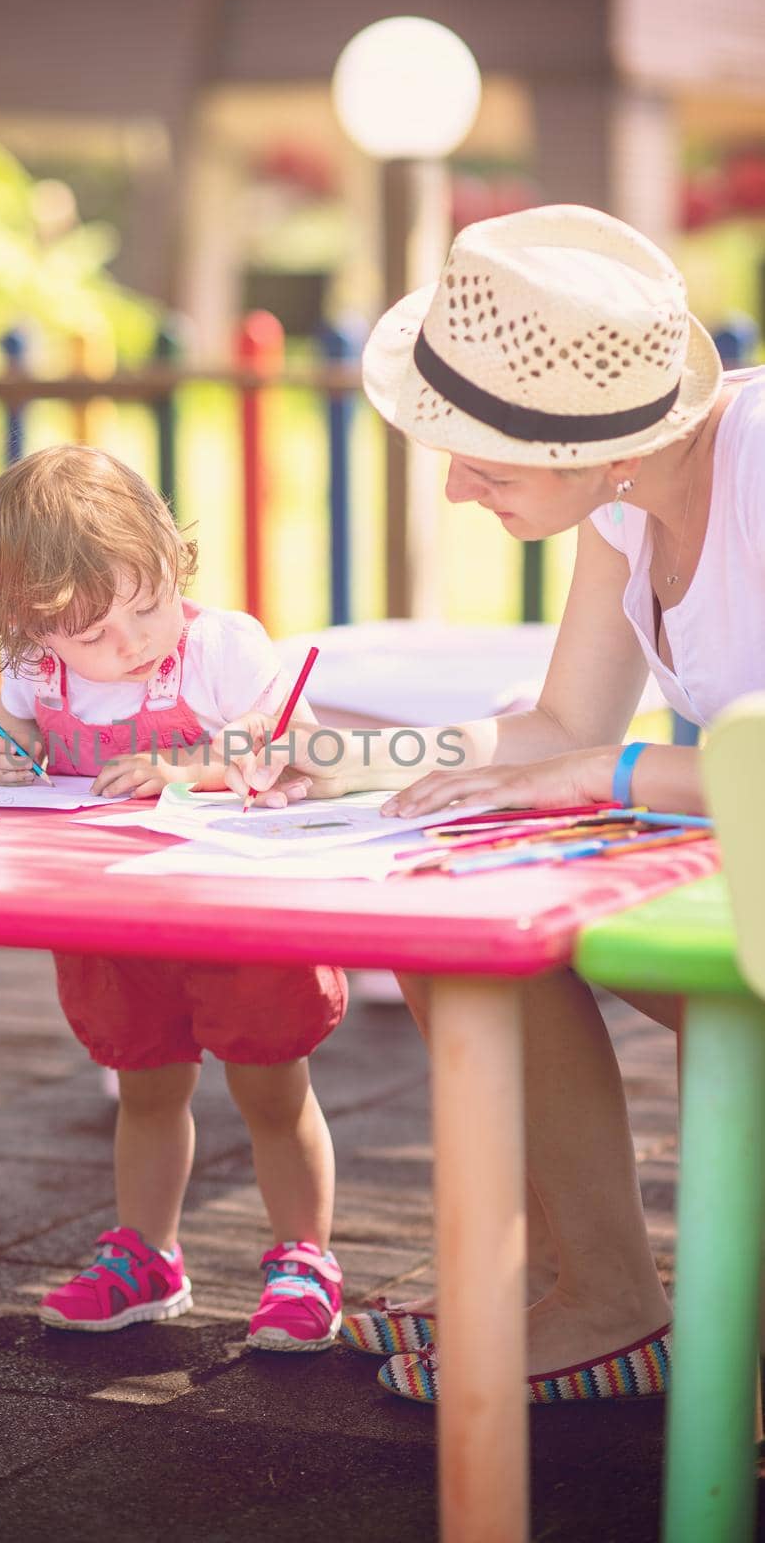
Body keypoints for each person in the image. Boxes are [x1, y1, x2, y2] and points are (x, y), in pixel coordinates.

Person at [228, 203, 765, 1402]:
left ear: (601, 440)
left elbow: (594, 758)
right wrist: (347, 756)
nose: (461, 488)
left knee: (499, 905)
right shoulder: (632, 488)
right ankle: (601, 1296)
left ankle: (610, 1301)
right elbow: (561, 728)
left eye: (488, 456)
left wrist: (613, 774)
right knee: (458, 915)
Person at [0, 444, 346, 1351]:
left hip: (233, 910)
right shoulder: (36, 670)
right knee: (144, 1087)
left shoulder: (218, 649)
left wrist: (201, 763)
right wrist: (8, 745)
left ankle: (304, 1258)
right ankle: (148, 1254)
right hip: (114, 916)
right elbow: (18, 724)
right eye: (91, 634)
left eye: (147, 606)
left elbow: (305, 749)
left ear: (175, 564)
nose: (130, 643)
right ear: (29, 625)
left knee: (271, 1090)